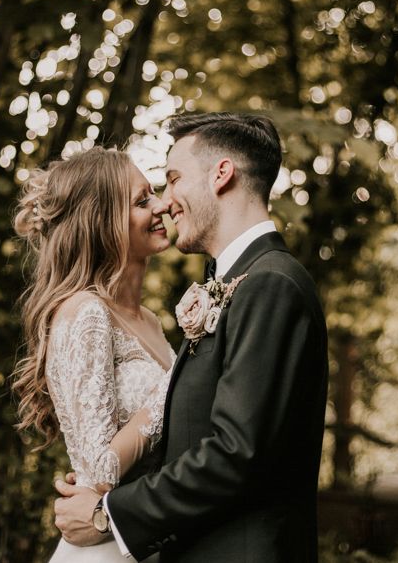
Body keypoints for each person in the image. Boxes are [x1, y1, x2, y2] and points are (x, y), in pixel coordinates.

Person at [54, 113, 329, 563]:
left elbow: (238, 452)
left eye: (173, 178)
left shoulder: (271, 284)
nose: (166, 201)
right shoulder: (239, 282)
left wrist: (109, 513)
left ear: (221, 175)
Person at [13, 146, 176, 562]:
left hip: (148, 537)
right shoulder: (85, 312)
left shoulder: (151, 321)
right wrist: (176, 385)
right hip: (103, 548)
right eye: (142, 201)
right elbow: (99, 467)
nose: (161, 206)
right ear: (102, 221)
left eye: (154, 193)